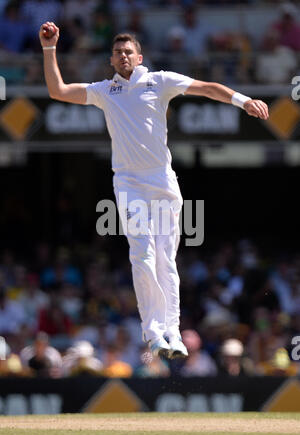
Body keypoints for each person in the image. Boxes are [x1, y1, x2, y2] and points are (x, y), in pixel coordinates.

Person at [39, 22, 269, 360]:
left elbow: (206, 87)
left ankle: (172, 330)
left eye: (128, 51)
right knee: (142, 254)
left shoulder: (158, 81)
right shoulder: (104, 90)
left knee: (165, 257)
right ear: (112, 59)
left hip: (161, 179)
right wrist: (49, 48)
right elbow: (57, 91)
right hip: (128, 180)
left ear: (139, 56)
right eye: (118, 53)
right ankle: (153, 331)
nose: (123, 56)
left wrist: (243, 100)